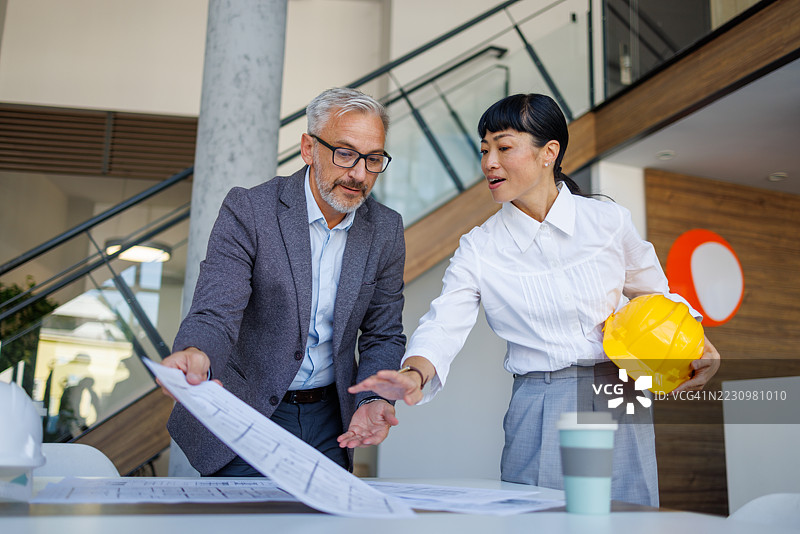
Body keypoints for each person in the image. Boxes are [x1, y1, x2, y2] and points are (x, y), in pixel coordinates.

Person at [350, 93, 721, 506]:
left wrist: (696, 343)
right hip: (541, 400)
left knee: (629, 517)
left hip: (619, 390)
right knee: (538, 520)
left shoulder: (608, 222)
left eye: (504, 148)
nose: (489, 163)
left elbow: (656, 297)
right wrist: (414, 374)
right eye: (484, 150)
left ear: (549, 152)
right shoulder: (480, 247)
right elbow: (443, 323)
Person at [160, 87, 406, 476]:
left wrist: (374, 398)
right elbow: (216, 309)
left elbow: (383, 333)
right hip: (246, 411)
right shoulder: (250, 210)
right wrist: (197, 352)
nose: (359, 174)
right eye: (345, 154)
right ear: (308, 149)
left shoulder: (386, 229)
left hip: (330, 421)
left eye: (373, 159)